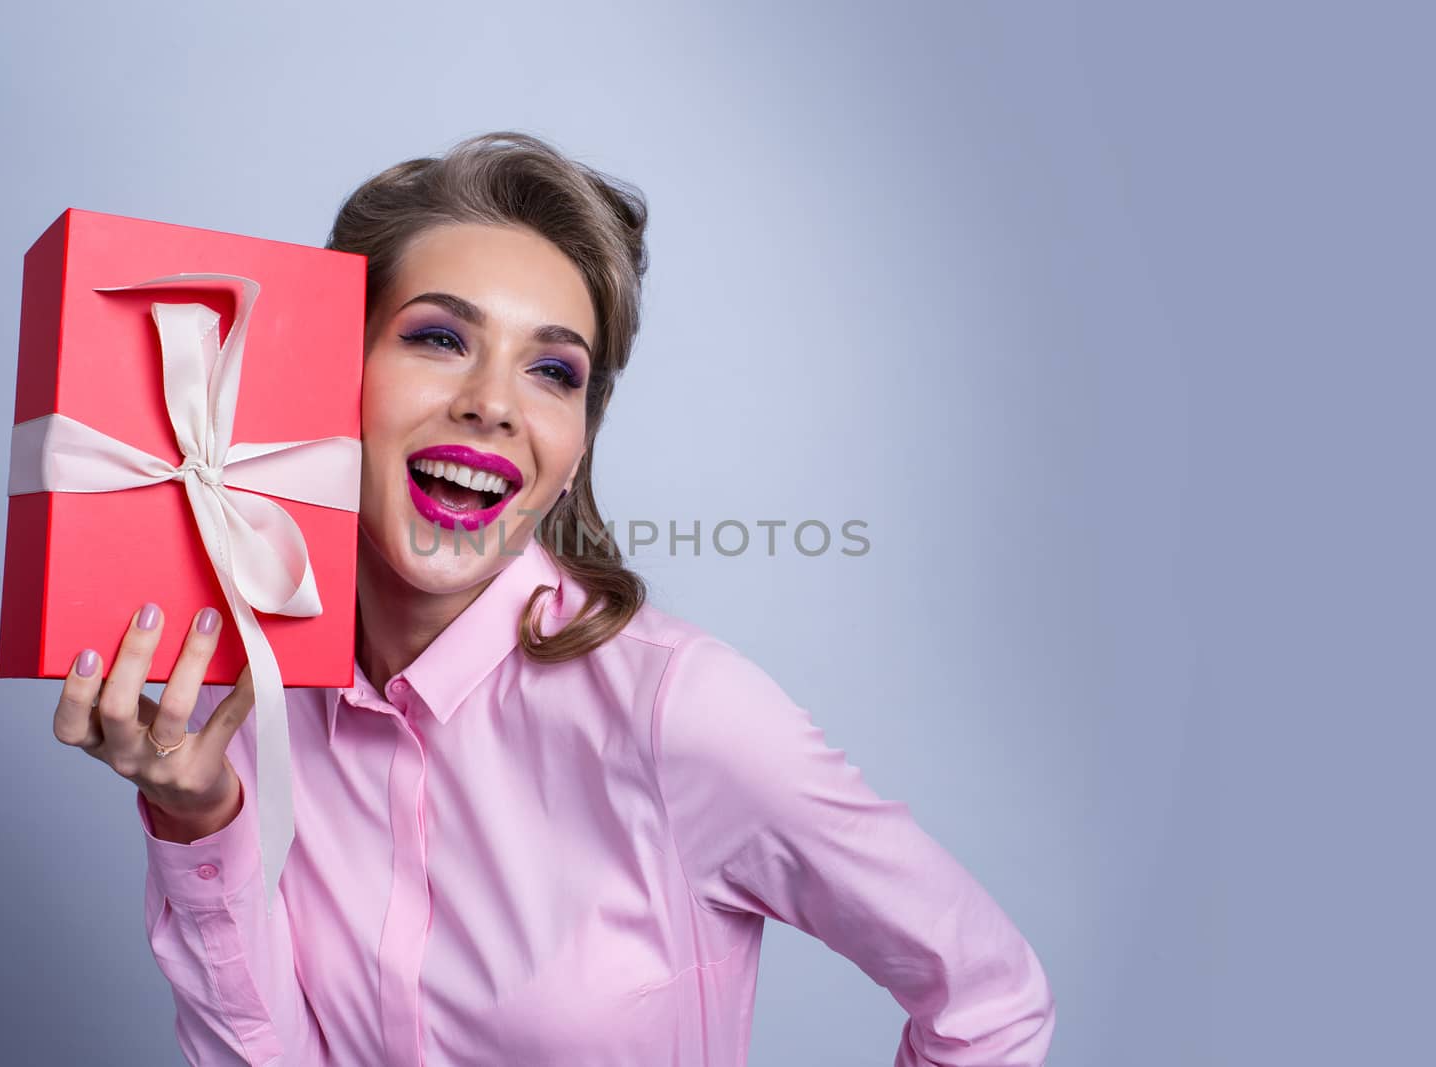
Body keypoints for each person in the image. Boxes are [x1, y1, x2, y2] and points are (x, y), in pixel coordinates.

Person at [51, 131, 1056, 1067]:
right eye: (439, 338)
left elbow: (989, 997)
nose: (492, 401)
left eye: (550, 369)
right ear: (325, 374)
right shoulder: (256, 694)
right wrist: (199, 813)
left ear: (574, 449)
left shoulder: (681, 713)